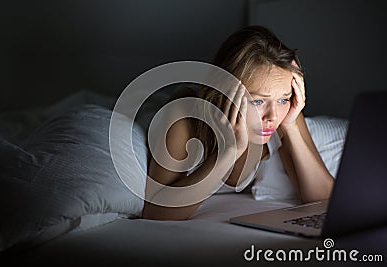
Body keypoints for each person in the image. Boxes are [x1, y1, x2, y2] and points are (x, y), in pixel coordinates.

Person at [142, 25, 334, 220]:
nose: (272, 116)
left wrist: (292, 126)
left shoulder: (283, 115)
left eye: (283, 99)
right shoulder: (184, 115)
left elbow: (324, 200)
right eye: (258, 101)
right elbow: (155, 212)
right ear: (224, 93)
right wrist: (229, 150)